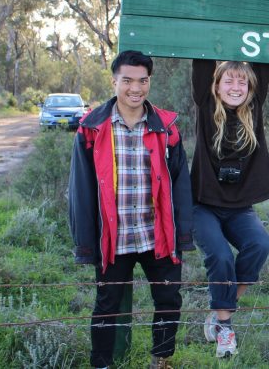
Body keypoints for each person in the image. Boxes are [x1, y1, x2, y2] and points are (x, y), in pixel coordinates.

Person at [68, 50, 195, 369]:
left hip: (159, 236)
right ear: (114, 81)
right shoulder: (91, 128)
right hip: (114, 238)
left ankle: (161, 359)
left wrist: (183, 234)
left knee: (168, 301)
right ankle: (101, 363)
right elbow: (81, 191)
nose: (135, 88)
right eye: (127, 80)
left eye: (142, 81)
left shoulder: (166, 127)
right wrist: (86, 244)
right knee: (107, 304)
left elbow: (181, 185)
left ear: (149, 82)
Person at [189, 57, 269, 358]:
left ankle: (220, 308)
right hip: (203, 206)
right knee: (222, 257)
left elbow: (263, 58)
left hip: (239, 208)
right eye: (229, 80)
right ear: (215, 85)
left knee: (260, 244)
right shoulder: (205, 105)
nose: (236, 86)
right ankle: (225, 328)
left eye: (242, 81)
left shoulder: (255, 109)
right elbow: (203, 58)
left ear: (251, 88)